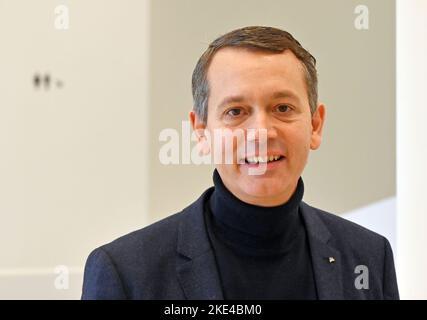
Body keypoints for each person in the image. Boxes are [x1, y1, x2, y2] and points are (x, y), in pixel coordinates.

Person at [81, 26, 399, 300]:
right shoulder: (126, 272)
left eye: (283, 107)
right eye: (236, 111)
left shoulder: (369, 257)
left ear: (315, 126)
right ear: (202, 132)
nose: (261, 132)